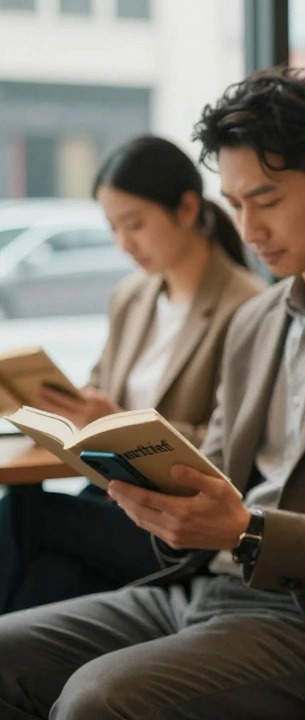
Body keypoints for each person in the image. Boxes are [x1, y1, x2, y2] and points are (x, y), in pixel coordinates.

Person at [0, 67, 305, 720]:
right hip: (207, 589)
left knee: (98, 700)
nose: (248, 227)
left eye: (266, 200)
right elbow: (216, 476)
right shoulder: (256, 322)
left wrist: (249, 531)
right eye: (234, 204)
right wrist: (163, 503)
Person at [0, 135, 264, 613]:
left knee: (24, 512)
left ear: (186, 209)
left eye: (135, 224)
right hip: (112, 504)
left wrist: (119, 418)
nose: (124, 244)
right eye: (114, 228)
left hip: (176, 523)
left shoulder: (246, 307)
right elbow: (98, 390)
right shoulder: (132, 297)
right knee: (51, 575)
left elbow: (239, 447)